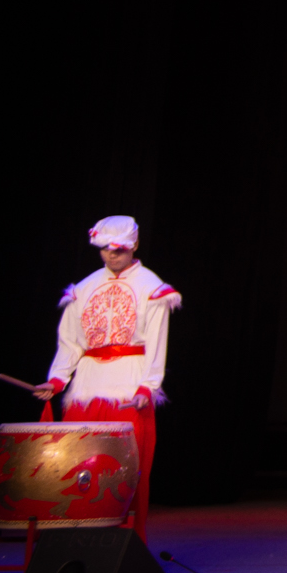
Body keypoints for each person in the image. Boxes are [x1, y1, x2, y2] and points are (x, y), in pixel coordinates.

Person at [39, 215, 179, 539]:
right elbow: (70, 342)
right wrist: (57, 379)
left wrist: (147, 387)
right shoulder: (84, 289)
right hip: (86, 388)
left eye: (118, 249)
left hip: (128, 388)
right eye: (104, 249)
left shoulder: (151, 288)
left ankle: (124, 549)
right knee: (76, 470)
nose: (111, 256)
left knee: (123, 475)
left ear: (135, 245)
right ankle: (73, 545)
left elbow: (156, 343)